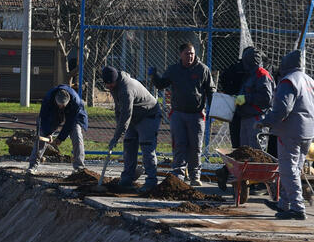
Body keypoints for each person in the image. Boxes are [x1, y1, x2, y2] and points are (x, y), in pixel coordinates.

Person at [258, 50, 314, 220]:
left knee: (288, 170)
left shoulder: (288, 81)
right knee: (294, 169)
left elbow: (283, 109)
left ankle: (298, 207)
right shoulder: (310, 81)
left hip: (290, 131)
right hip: (307, 132)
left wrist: (266, 121)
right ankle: (284, 204)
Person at [149, 42, 215, 186]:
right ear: (181, 55)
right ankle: (178, 174)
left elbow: (211, 90)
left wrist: (213, 110)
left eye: (192, 53)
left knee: (195, 146)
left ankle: (195, 176)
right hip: (178, 114)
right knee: (179, 145)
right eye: (187, 53)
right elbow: (161, 84)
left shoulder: (203, 69)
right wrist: (154, 76)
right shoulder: (174, 70)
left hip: (196, 115)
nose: (190, 56)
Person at [99, 66, 161, 190]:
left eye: (111, 84)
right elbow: (119, 110)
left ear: (115, 80)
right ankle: (127, 178)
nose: (109, 87)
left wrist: (116, 136)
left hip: (148, 114)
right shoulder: (113, 85)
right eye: (107, 84)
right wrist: (118, 131)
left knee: (146, 146)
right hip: (135, 116)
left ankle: (151, 181)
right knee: (128, 145)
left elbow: (126, 114)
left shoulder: (126, 89)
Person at [28, 84, 88, 172]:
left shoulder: (76, 102)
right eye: (59, 104)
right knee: (42, 136)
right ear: (55, 100)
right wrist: (48, 133)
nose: (61, 107)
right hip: (53, 112)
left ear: (68, 102)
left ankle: (79, 167)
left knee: (77, 135)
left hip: (73, 113)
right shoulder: (48, 99)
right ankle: (33, 165)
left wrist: (60, 138)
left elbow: (70, 123)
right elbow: (43, 119)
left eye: (63, 106)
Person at [234, 47, 274, 150]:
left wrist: (246, 99)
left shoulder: (262, 74)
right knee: (245, 153)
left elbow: (266, 98)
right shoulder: (250, 74)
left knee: (257, 153)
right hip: (246, 117)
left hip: (257, 118)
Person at [218, 54, 249, 148]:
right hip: (245, 107)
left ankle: (237, 154)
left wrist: (230, 92)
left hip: (235, 104)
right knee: (247, 141)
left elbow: (223, 78)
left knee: (236, 136)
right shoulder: (250, 70)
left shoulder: (234, 67)